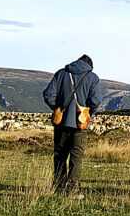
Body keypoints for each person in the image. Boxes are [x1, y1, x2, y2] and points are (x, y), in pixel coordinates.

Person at [43, 54, 102, 194]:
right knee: (76, 157)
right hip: (80, 124)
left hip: (61, 123)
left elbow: (48, 94)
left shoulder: (61, 74)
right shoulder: (92, 77)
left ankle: (59, 188)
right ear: (90, 66)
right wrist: (88, 112)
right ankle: (72, 190)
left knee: (60, 156)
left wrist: (58, 108)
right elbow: (96, 100)